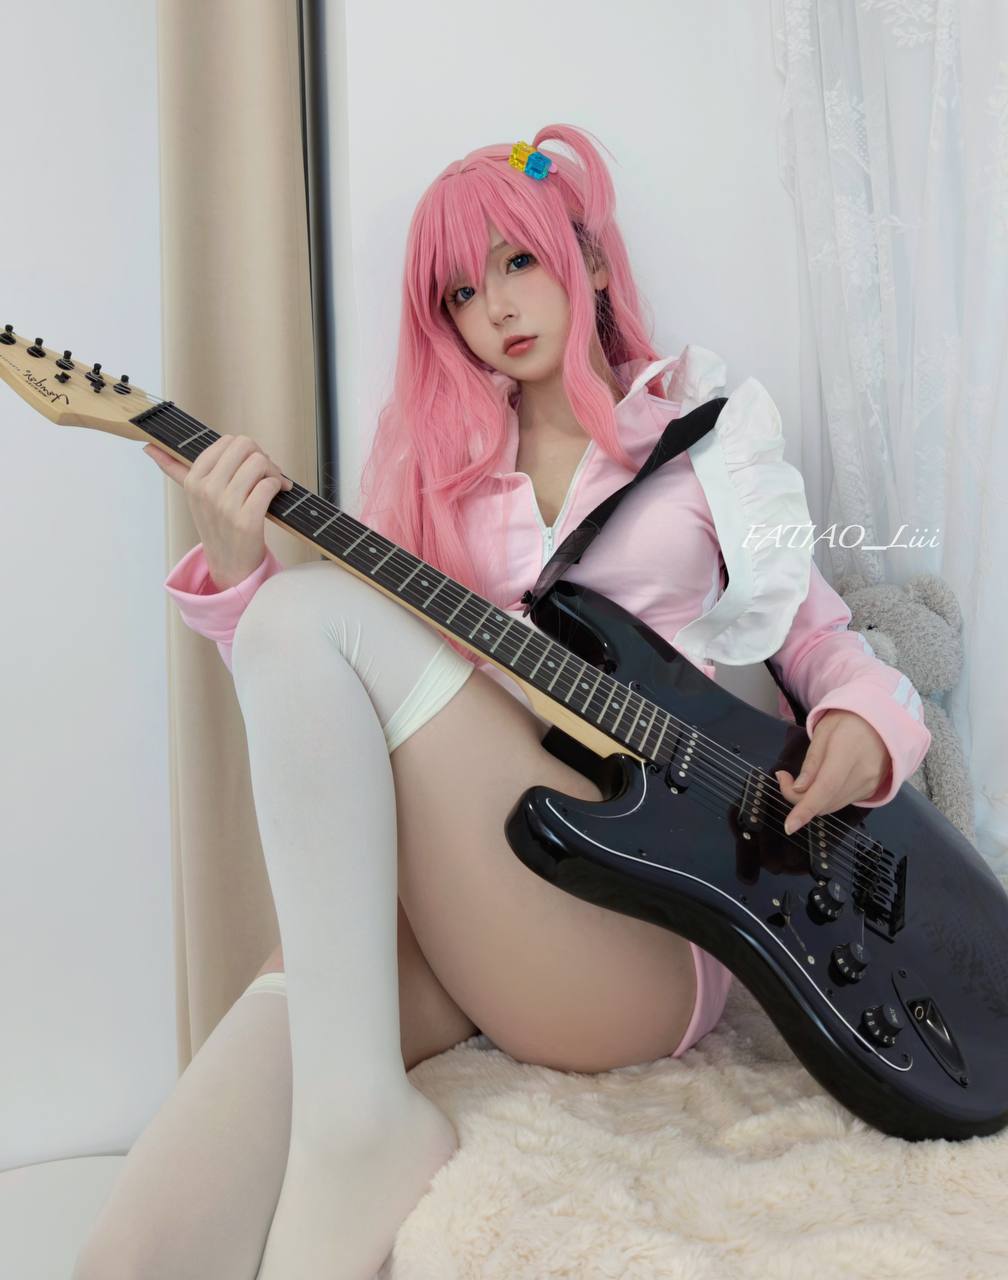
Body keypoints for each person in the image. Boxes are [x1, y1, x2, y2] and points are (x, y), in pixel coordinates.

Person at [73, 123, 931, 1280]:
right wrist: (239, 569)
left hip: (650, 931)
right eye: (461, 291)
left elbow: (823, 641)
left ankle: (361, 1130)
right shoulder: (440, 483)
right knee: (144, 1237)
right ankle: (334, 1139)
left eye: (517, 261)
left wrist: (860, 728)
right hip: (496, 889)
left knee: (306, 613)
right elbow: (325, 717)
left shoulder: (705, 449)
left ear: (589, 259)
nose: (496, 307)